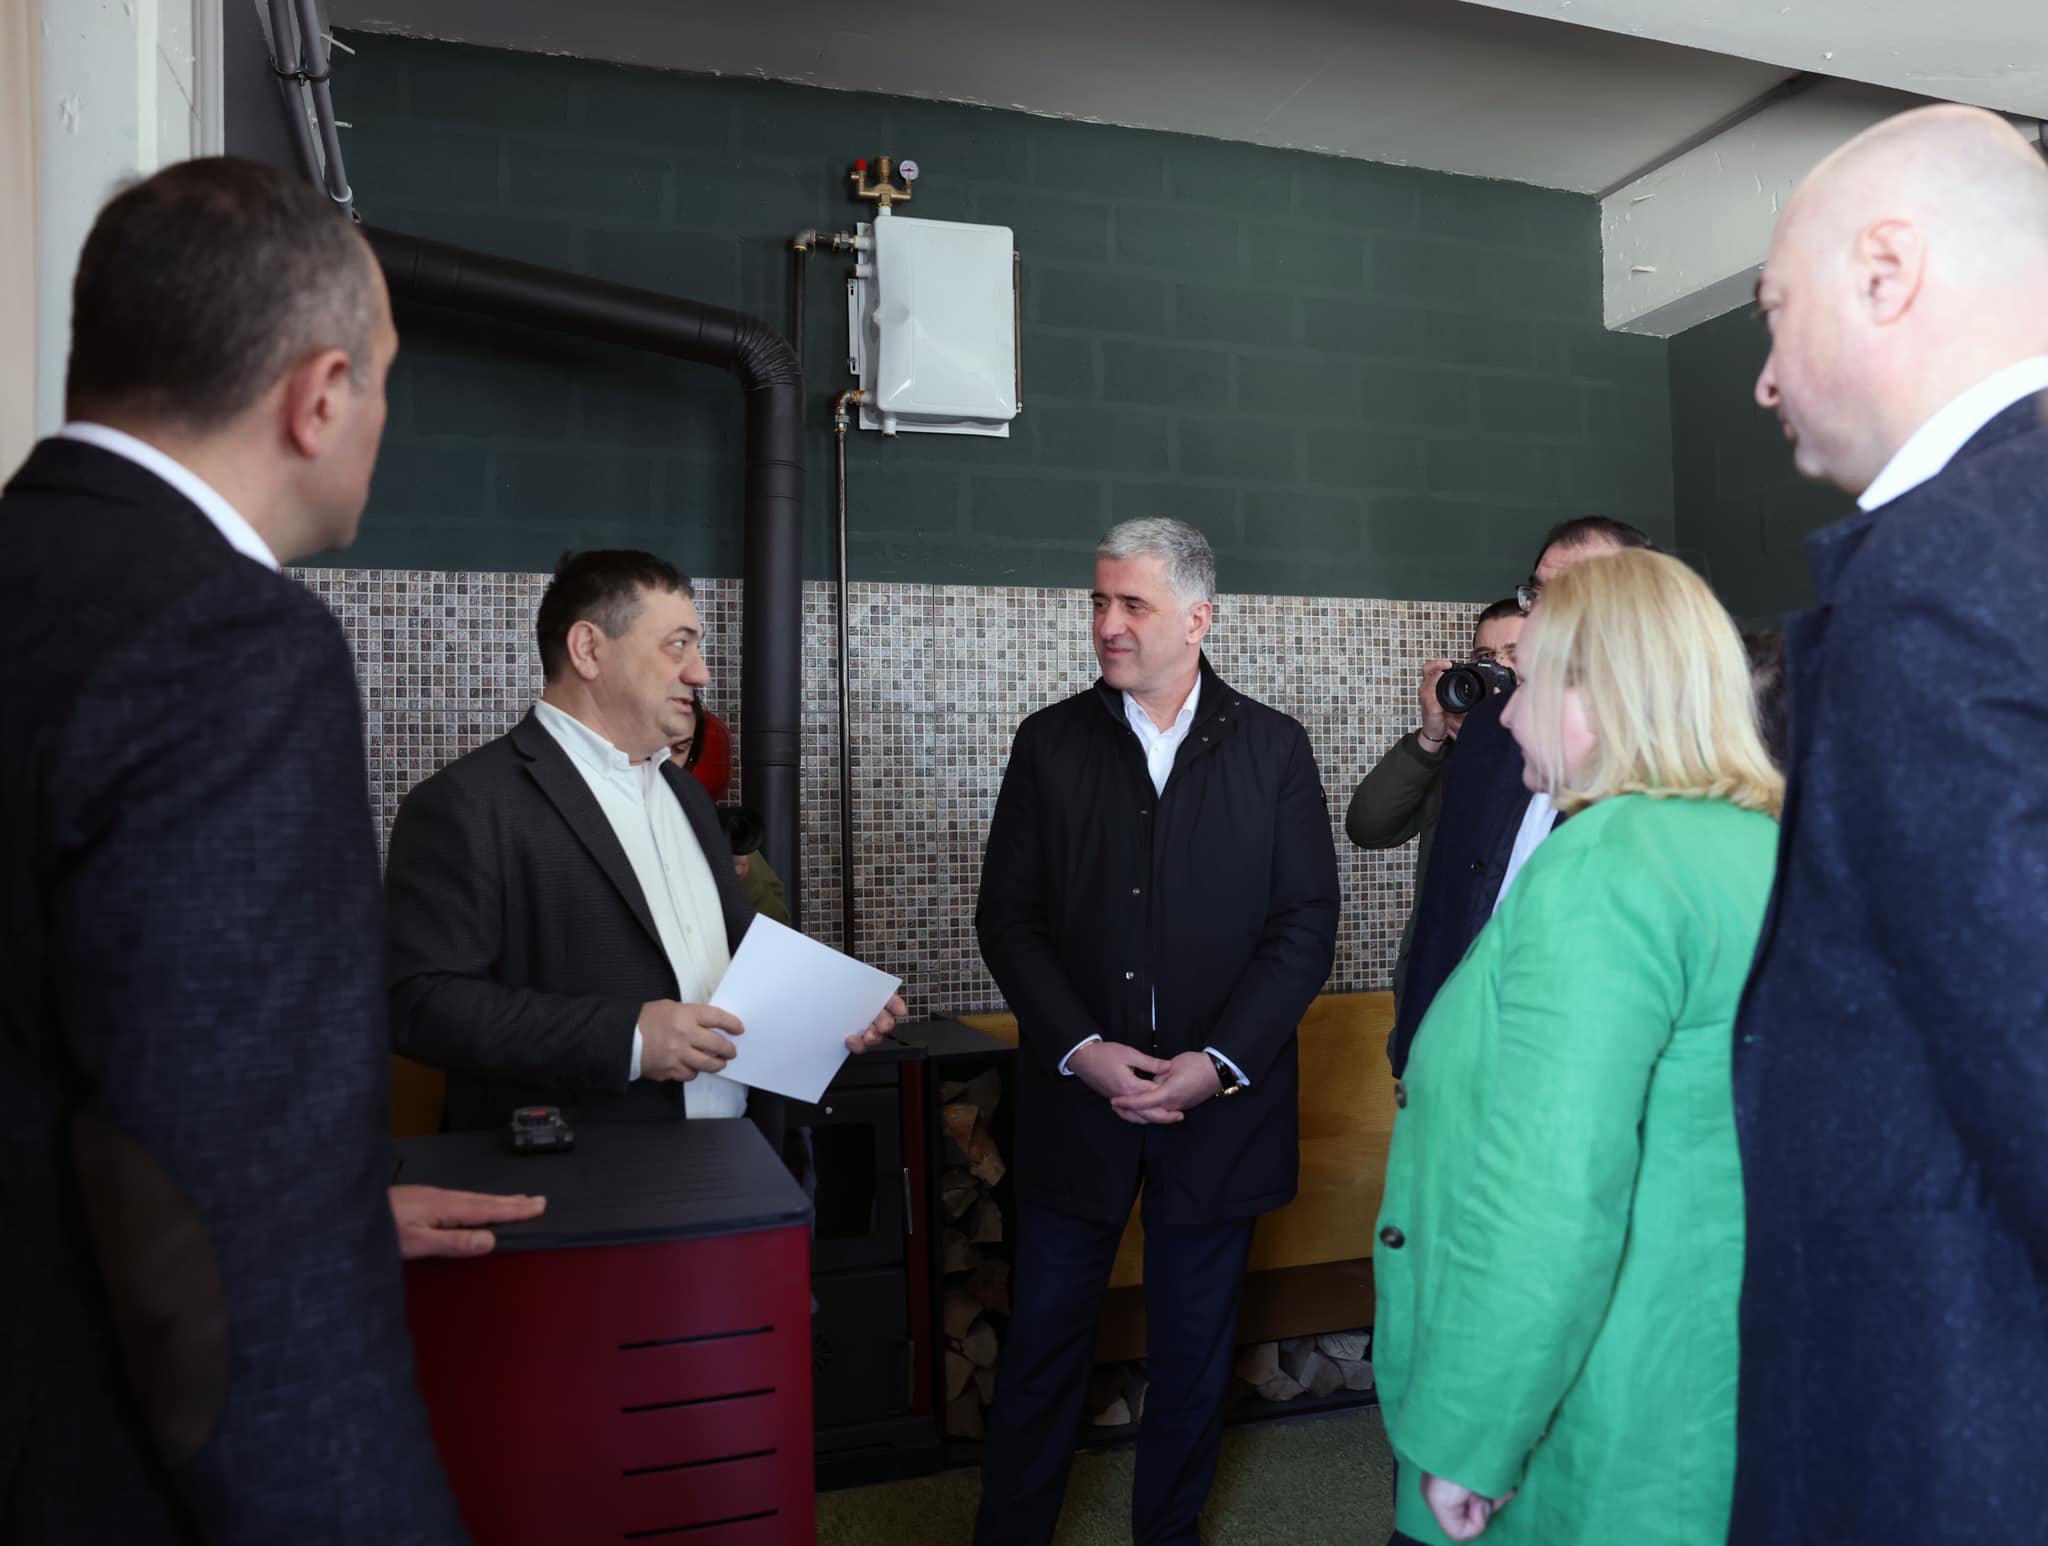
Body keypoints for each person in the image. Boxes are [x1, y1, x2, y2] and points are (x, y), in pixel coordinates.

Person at [0, 157, 536, 1545]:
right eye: (385, 380)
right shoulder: (229, 643)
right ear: (321, 395)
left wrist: (344, 1205)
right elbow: (240, 1248)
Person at [1734, 104, 2048, 1544]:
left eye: (1773, 309)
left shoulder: (1932, 572)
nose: (1761, 376)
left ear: (1885, 271)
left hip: (1958, 1421)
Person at [1373, 549, 1782, 1546]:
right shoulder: (1762, 845)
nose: (1508, 714)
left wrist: (1471, 1431)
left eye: (1534, 682)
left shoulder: (1601, 864)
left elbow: (1551, 1185)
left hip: (1585, 1403)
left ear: (1601, 694)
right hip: (1704, 1374)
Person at [973, 518, 1339, 1546]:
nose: (1107, 624)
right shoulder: (1049, 742)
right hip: (1073, 1102)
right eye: (1099, 601)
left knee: (1192, 1357)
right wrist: (1079, 1050)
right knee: (1041, 1349)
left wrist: (1216, 1064)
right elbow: (1008, 918)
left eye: (1131, 603)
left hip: (1218, 1109)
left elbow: (1304, 924)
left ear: (1196, 617)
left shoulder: (1273, 746)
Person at [383, 549, 901, 1137]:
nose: (701, 674)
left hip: (744, 1151)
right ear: (588, 649)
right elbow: (418, 1004)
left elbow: (725, 957)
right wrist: (628, 1039)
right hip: (582, 1175)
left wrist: (826, 1005)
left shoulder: (687, 797)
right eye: (678, 645)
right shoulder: (467, 803)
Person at [1387, 516, 1653, 1076]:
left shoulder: (1664, 767)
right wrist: (1416, 1053)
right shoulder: (1490, 729)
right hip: (1456, 1061)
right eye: (1537, 594)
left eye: (1570, 595)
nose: (1541, 615)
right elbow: (1442, 907)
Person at [1346, 598, 1522, 1027]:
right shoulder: (1450, 758)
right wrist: (1431, 737)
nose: (1497, 669)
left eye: (1514, 656)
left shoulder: (1563, 762)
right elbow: (1367, 826)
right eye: (1485, 657)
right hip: (1434, 1004)